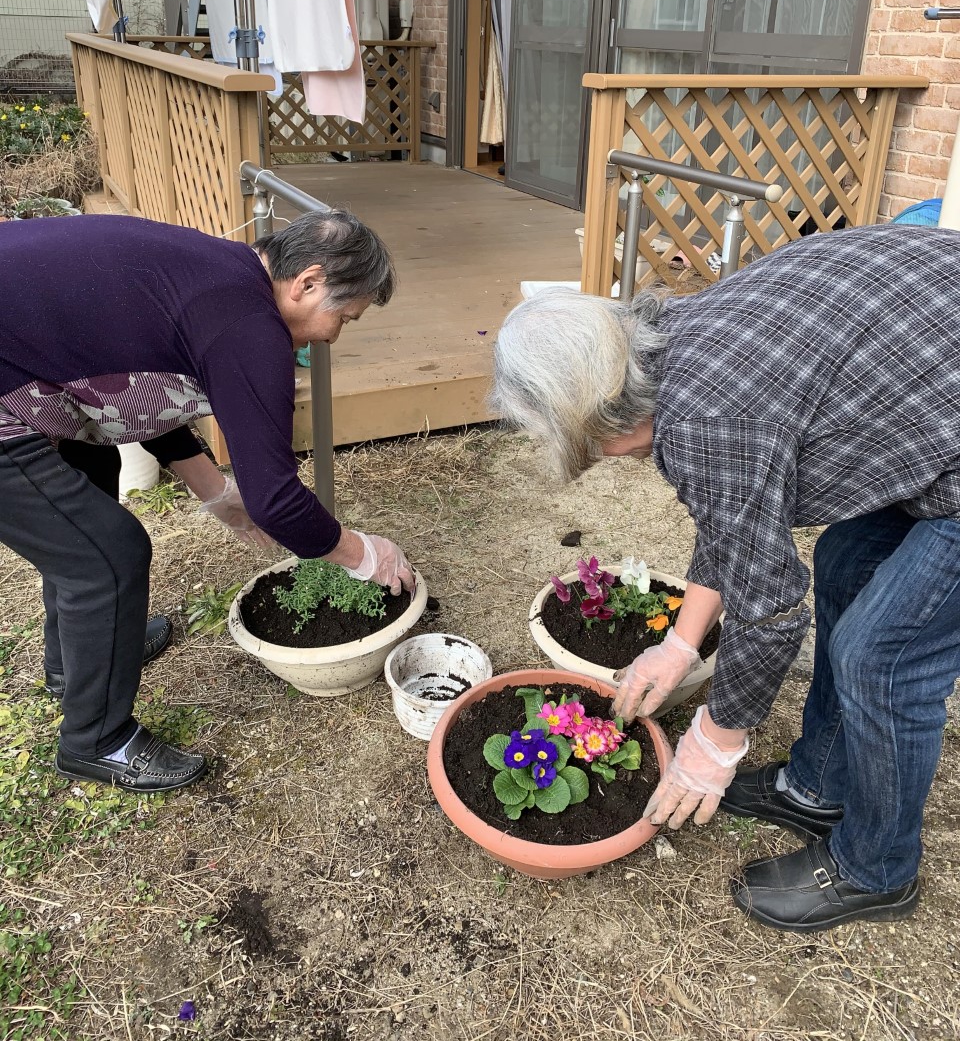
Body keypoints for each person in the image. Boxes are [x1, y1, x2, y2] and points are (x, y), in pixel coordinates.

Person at [491, 223, 960, 933]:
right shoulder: (682, 338)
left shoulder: (708, 418)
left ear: (600, 417)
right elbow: (739, 517)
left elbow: (771, 612)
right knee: (845, 561)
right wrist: (682, 643)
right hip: (933, 386)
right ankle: (818, 786)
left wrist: (715, 742)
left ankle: (877, 869)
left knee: (881, 655)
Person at [0, 211, 414, 795]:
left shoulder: (219, 274)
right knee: (106, 556)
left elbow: (124, 384)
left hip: (29, 369)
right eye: (342, 317)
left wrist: (217, 493)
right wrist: (362, 554)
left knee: (84, 485)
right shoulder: (248, 323)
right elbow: (276, 498)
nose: (331, 337)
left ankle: (76, 664)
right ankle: (96, 741)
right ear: (308, 282)